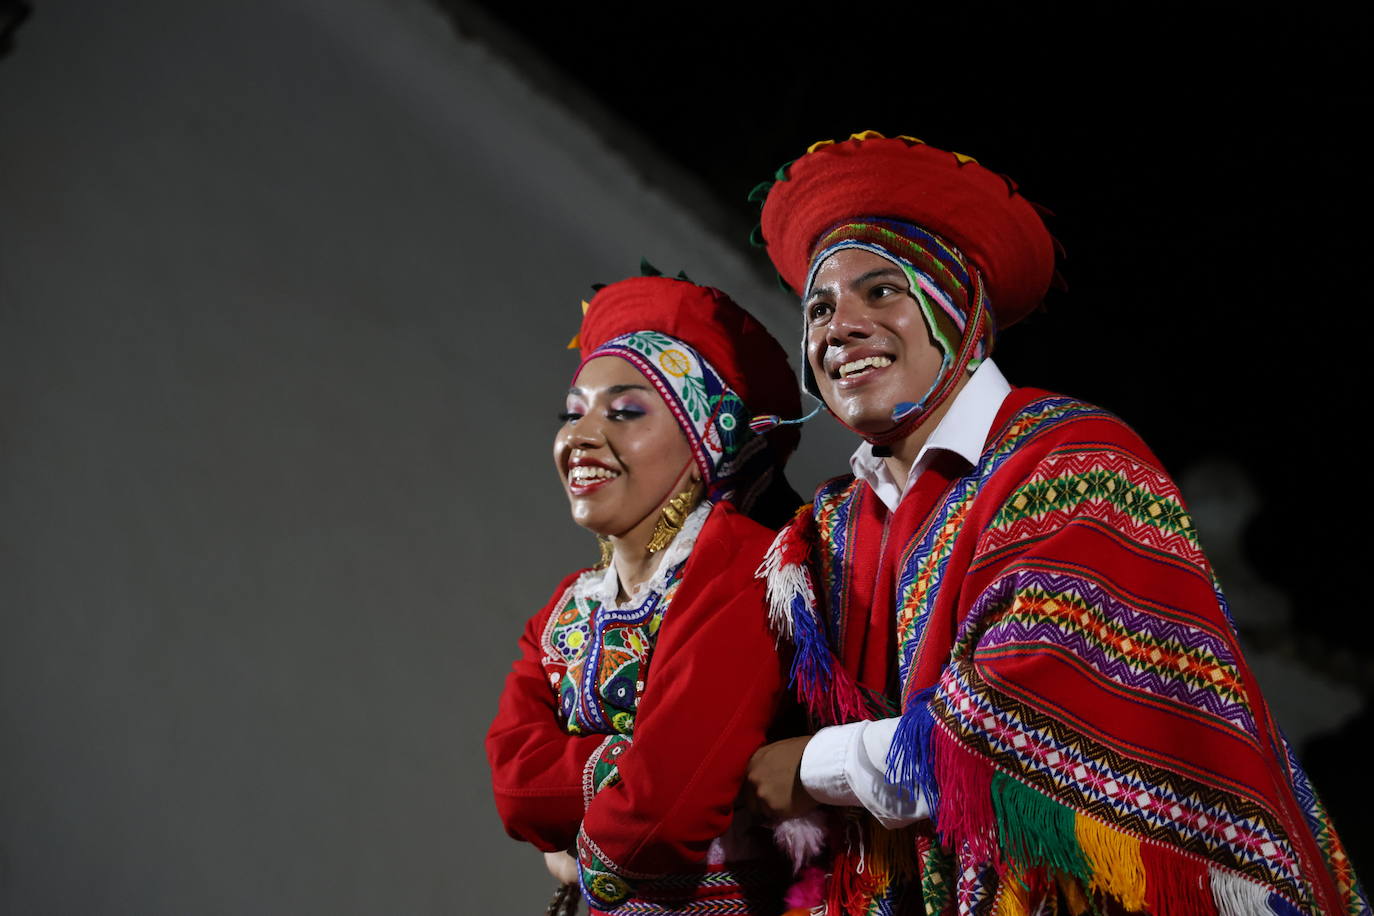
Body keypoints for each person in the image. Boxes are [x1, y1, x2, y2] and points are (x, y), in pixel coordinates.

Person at [740, 132, 1368, 915]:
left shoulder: (1074, 462)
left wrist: (807, 765)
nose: (840, 326)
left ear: (957, 309)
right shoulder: (828, 529)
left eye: (881, 291)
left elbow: (1013, 724)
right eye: (821, 308)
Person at [486, 272, 808, 915]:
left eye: (626, 412)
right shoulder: (566, 608)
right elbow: (514, 787)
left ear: (704, 446)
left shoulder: (744, 565)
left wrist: (582, 841)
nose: (581, 436)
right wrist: (627, 764)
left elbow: (666, 808)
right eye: (572, 413)